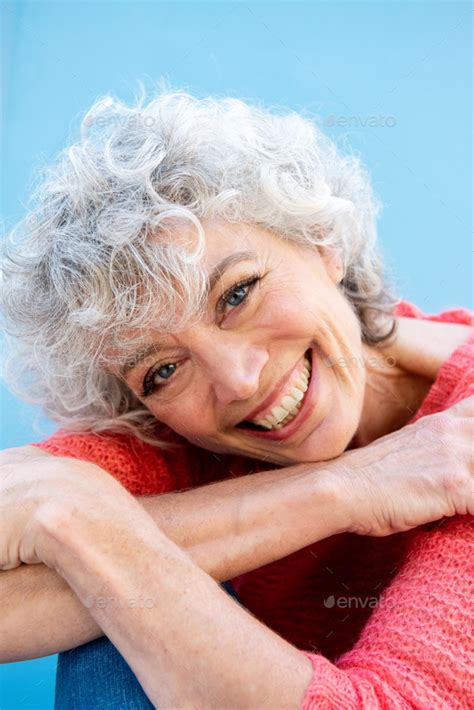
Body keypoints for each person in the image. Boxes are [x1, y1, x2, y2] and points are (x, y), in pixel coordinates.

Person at [1, 88, 473, 709]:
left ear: (320, 241)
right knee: (118, 597)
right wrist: (346, 489)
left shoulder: (459, 440)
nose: (239, 381)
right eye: (164, 369)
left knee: (128, 584)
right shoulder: (177, 431)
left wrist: (87, 526)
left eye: (236, 293)